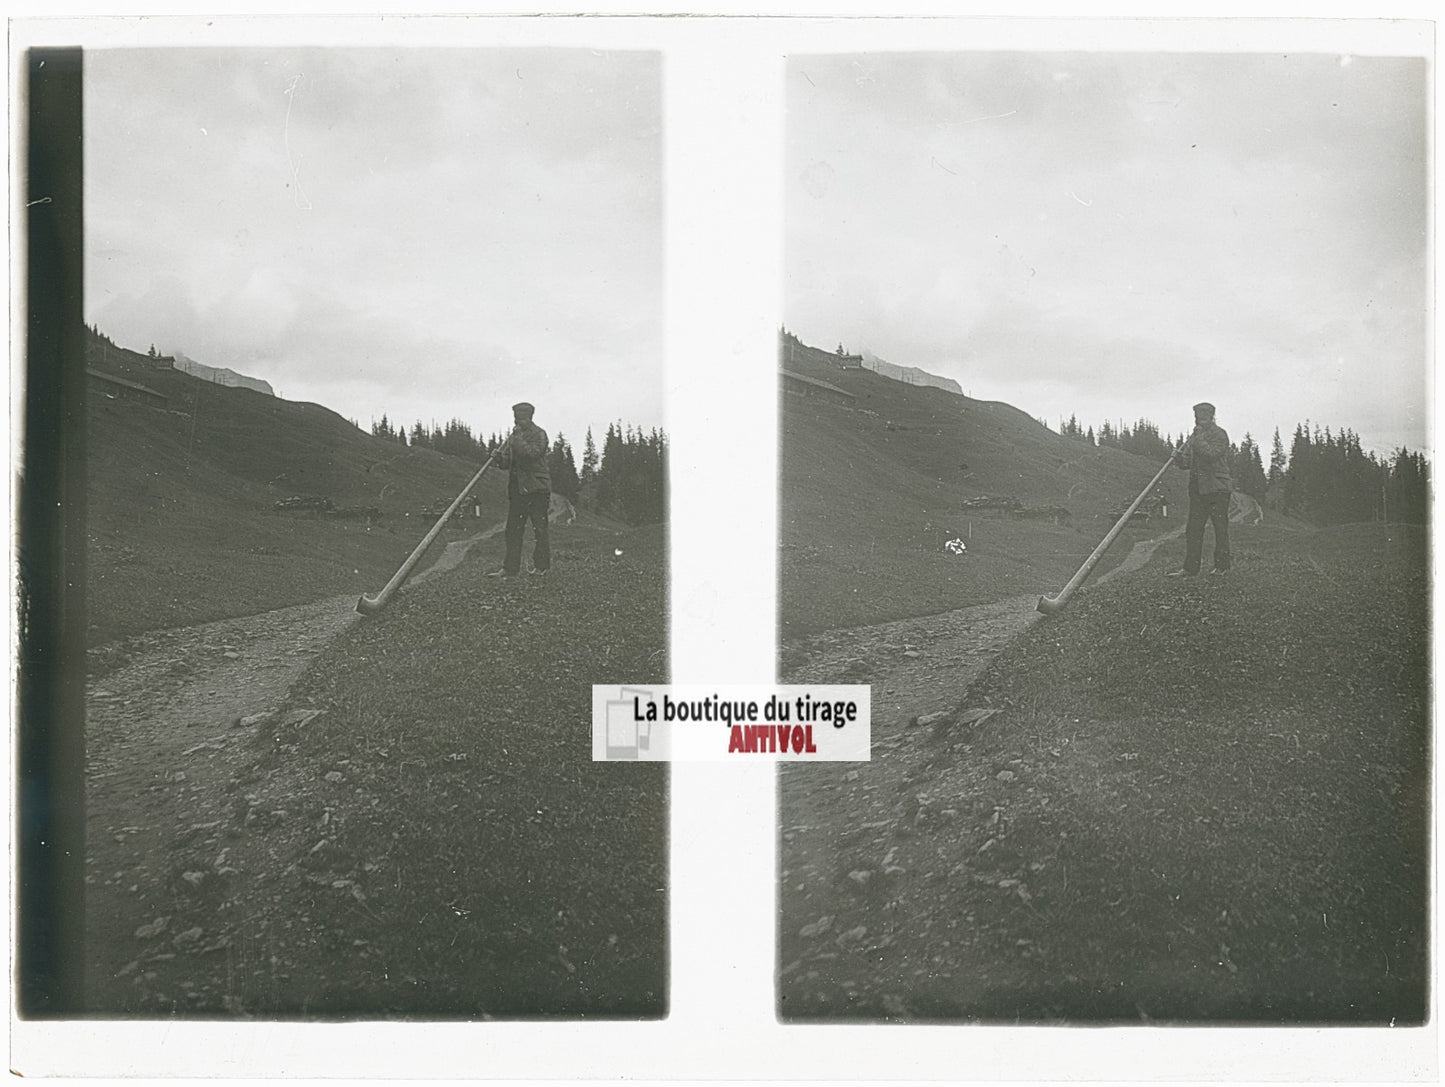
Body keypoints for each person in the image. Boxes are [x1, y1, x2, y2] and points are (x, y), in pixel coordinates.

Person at [1167, 401, 1232, 578]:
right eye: (1197, 417)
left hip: (1218, 489)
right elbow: (1187, 463)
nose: (1199, 420)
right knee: (1193, 529)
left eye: (1203, 417)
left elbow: (1211, 454)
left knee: (1220, 529)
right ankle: (1190, 569)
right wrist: (1178, 458)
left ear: (1211, 417)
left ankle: (1222, 567)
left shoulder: (1219, 434)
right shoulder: (1195, 437)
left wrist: (1198, 439)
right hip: (1198, 490)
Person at [489, 401, 552, 577]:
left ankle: (541, 567)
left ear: (530, 417)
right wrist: (499, 458)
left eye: (521, 418)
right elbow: (507, 463)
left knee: (539, 528)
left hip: (537, 489)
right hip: (518, 490)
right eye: (516, 418)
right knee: (513, 529)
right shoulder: (513, 437)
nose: (517, 421)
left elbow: (532, 454)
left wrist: (517, 439)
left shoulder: (539, 434)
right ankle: (510, 569)